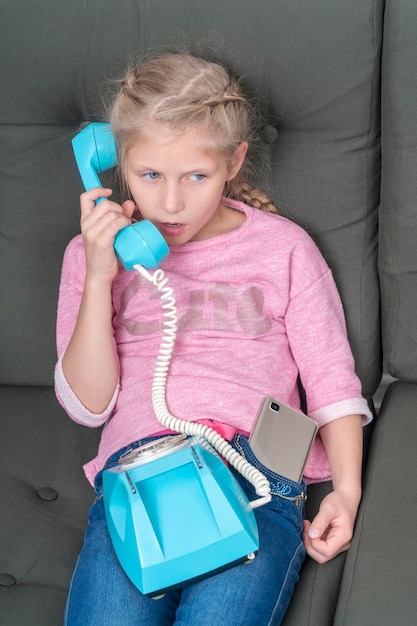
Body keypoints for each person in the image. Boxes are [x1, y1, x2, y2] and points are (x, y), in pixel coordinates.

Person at [55, 52, 372, 626]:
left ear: (233, 162)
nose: (171, 203)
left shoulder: (284, 249)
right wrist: (101, 275)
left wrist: (345, 493)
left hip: (256, 471)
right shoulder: (94, 255)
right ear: (116, 164)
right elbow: (87, 405)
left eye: (195, 176)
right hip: (140, 472)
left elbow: (331, 378)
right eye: (149, 175)